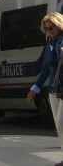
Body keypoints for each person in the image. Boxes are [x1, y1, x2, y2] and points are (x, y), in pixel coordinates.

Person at [27, 12, 63, 164]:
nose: (49, 32)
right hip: (54, 89)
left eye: (52, 28)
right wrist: (35, 87)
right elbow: (46, 68)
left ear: (60, 26)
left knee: (62, 122)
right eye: (47, 29)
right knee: (59, 126)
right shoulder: (49, 43)